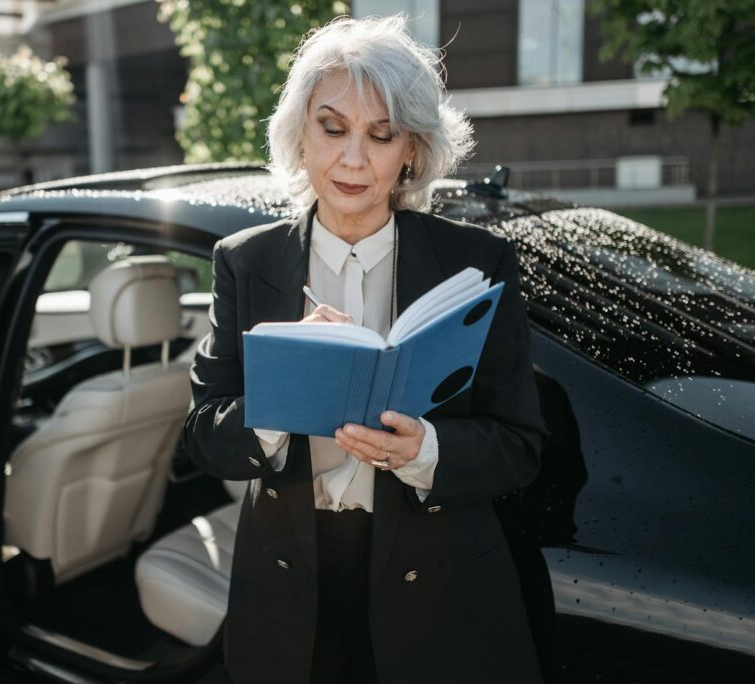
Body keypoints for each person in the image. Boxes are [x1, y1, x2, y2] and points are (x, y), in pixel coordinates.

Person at [181, 14, 548, 684]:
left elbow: (520, 445)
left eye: (381, 135)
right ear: (298, 133)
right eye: (332, 127)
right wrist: (279, 397)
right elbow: (205, 436)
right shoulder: (242, 263)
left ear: (411, 150)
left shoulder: (479, 263)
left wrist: (427, 451)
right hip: (289, 590)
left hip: (441, 593)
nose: (353, 158)